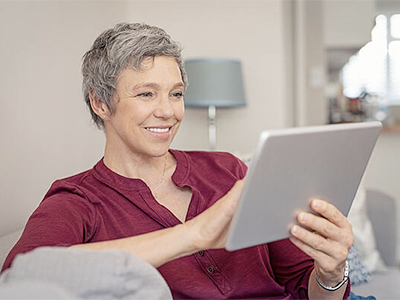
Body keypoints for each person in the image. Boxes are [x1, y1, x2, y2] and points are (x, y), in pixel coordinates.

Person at [1, 23, 353, 299]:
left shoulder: (229, 170)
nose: (168, 112)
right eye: (146, 94)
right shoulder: (76, 200)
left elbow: (304, 288)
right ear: (100, 103)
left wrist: (332, 275)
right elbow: (22, 279)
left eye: (176, 94)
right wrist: (192, 235)